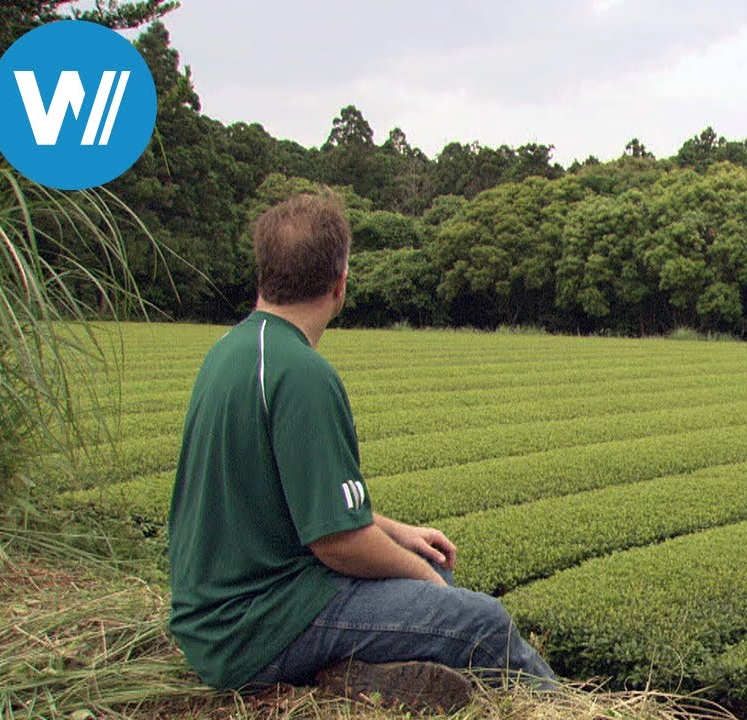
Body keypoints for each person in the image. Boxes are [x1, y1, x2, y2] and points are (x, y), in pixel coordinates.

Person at [167, 192, 555, 712]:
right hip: (257, 626)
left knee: (429, 563)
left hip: (223, 615)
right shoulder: (302, 375)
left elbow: (299, 500)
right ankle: (565, 705)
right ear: (340, 283)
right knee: (483, 622)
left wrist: (399, 534)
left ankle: (365, 673)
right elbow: (338, 542)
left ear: (263, 276)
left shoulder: (230, 351)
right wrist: (432, 588)